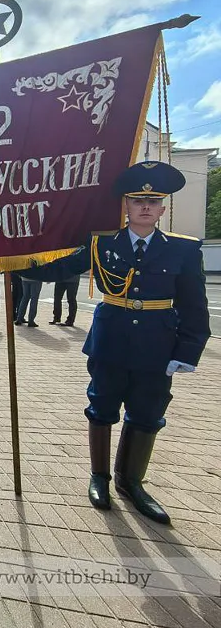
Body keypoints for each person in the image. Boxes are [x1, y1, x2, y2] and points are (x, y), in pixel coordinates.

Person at [20, 162, 210, 524]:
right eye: (137, 200)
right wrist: (14, 263)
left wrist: (188, 351)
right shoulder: (102, 242)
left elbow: (194, 305)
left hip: (157, 344)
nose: (145, 206)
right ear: (125, 205)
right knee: (102, 405)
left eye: (153, 201)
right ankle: (100, 478)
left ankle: (131, 482)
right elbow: (59, 268)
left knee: (148, 412)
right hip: (110, 340)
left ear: (162, 209)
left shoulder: (183, 250)